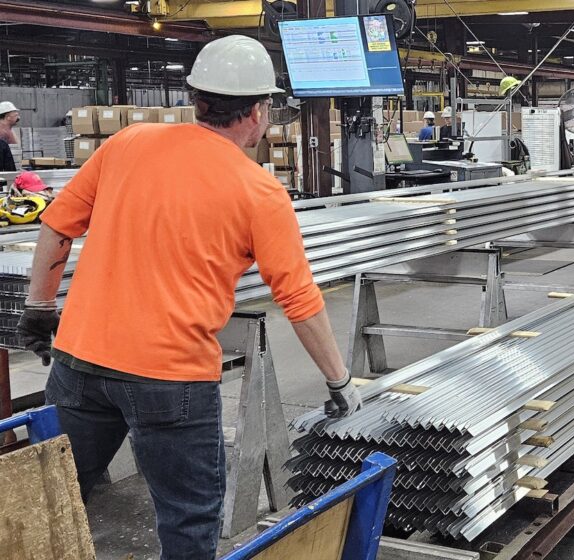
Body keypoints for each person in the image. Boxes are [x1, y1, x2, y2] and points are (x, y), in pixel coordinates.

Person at [16, 35, 362, 560]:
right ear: (258, 110)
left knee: (50, 504)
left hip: (79, 363)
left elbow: (57, 226)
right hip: (170, 378)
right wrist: (339, 382)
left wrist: (40, 309)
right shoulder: (259, 192)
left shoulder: (128, 142)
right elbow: (298, 298)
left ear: (197, 99)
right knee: (188, 519)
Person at [0, 101, 18, 171]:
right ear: (8, 117)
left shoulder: (8, 129)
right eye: (15, 114)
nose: (18, 117)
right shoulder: (2, 132)